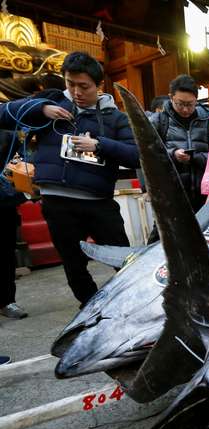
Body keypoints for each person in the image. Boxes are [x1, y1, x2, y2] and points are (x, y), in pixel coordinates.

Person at [0, 52, 138, 306]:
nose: (76, 92)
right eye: (70, 84)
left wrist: (100, 145)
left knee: (124, 259)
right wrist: (41, 108)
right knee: (73, 265)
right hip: (57, 202)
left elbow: (136, 156)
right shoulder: (50, 104)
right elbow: (3, 113)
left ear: (99, 85)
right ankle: (92, 308)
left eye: (84, 86)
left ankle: (136, 304)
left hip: (98, 202)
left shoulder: (115, 117)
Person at [150, 75, 209, 211]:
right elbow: (149, 153)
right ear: (171, 97)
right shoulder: (158, 121)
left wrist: (194, 158)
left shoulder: (206, 122)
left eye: (190, 104)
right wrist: (173, 154)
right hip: (172, 195)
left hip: (204, 194)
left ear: (196, 100)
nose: (185, 109)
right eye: (180, 104)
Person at [0, 131, 26, 319]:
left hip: (3, 203)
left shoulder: (7, 134)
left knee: (5, 254)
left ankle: (6, 301)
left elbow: (23, 156)